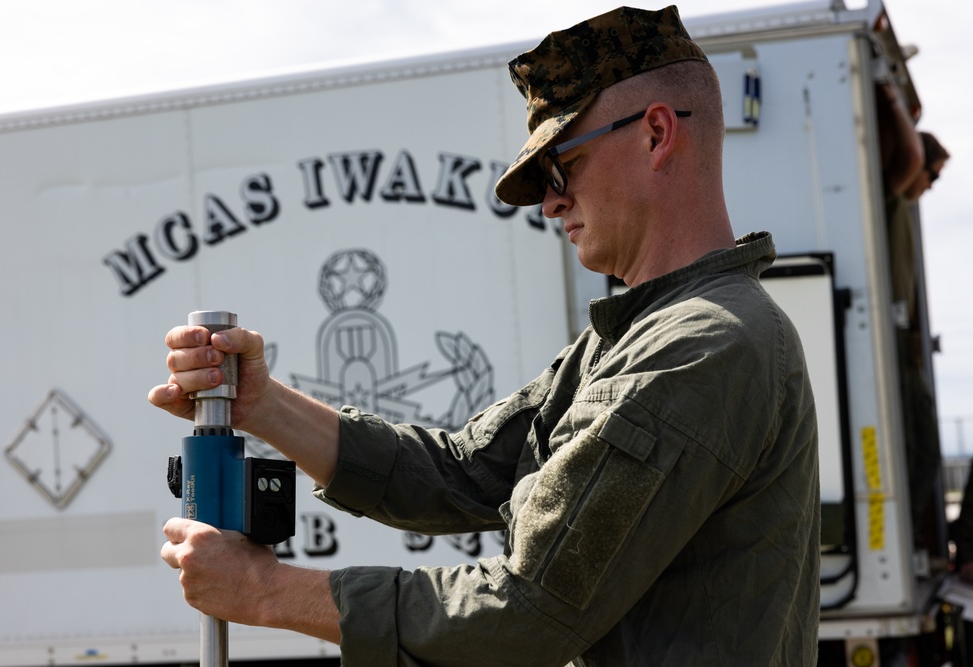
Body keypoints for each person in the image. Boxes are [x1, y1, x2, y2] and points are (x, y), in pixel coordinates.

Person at [154, 6, 821, 665]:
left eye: (562, 166)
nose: (551, 201)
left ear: (654, 134)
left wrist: (267, 592)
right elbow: (463, 471)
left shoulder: (702, 343)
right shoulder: (633, 339)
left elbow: (530, 608)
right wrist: (263, 405)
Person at [877, 81, 952, 546]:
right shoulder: (892, 199)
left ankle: (904, 532)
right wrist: (892, 100)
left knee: (923, 450)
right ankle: (898, 536)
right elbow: (910, 158)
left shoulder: (906, 211)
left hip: (905, 348)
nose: (931, 183)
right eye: (934, 174)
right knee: (918, 449)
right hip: (893, 346)